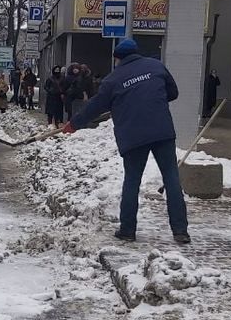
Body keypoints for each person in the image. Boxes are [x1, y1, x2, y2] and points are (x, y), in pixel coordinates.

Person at [63, 38, 190, 245]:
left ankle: (128, 230)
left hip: (133, 135)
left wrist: (74, 124)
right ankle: (181, 232)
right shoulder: (156, 66)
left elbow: (94, 106)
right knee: (171, 179)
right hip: (162, 131)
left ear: (117, 59)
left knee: (132, 180)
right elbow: (173, 93)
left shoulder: (112, 80)